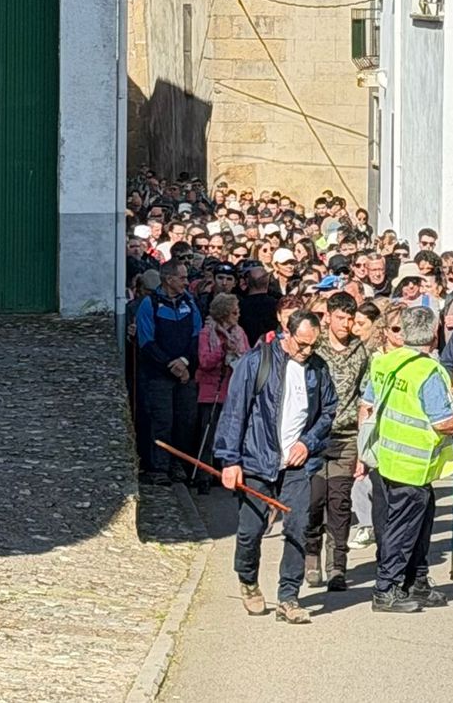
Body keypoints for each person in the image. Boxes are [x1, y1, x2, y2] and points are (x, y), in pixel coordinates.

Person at [214, 311, 337, 625]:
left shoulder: (318, 369)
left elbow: (328, 411)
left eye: (313, 345)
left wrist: (307, 442)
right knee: (250, 532)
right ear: (286, 332)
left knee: (297, 526)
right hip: (257, 461)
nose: (307, 351)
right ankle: (248, 579)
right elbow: (234, 412)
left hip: (298, 465)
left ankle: (289, 597)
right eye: (302, 344)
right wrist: (230, 460)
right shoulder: (256, 363)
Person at [362, 306, 453, 613]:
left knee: (419, 526)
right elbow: (441, 422)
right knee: (402, 530)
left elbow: (369, 403)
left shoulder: (385, 362)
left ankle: (417, 581)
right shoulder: (428, 370)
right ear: (434, 332)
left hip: (391, 458)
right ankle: (386, 588)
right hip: (412, 463)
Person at [305, 293, 370, 591]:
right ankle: (311, 555)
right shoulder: (314, 349)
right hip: (315, 436)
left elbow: (364, 399)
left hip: (346, 437)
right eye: (340, 318)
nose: (346, 324)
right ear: (328, 316)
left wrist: (362, 443)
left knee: (340, 502)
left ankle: (337, 566)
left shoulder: (360, 351)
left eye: (350, 318)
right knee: (315, 499)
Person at [134, 260, 203, 486]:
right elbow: (146, 341)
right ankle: (158, 467)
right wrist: (170, 365)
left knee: (185, 421)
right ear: (169, 279)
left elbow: (196, 336)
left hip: (184, 374)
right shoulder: (149, 304)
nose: (186, 282)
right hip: (158, 376)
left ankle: (178, 465)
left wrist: (184, 363)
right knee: (160, 421)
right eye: (182, 278)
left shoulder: (190, 303)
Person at [195, 292, 249, 494]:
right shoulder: (206, 333)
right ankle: (204, 477)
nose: (238, 315)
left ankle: (226, 474)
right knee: (208, 437)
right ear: (225, 314)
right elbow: (205, 361)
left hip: (232, 390)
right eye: (234, 312)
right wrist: (222, 350)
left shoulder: (239, 333)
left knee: (230, 436)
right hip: (212, 390)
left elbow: (246, 356)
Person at [237, 267, 280, 344]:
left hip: (247, 349)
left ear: (247, 282)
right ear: (267, 281)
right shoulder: (276, 305)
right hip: (271, 347)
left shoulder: (239, 306)